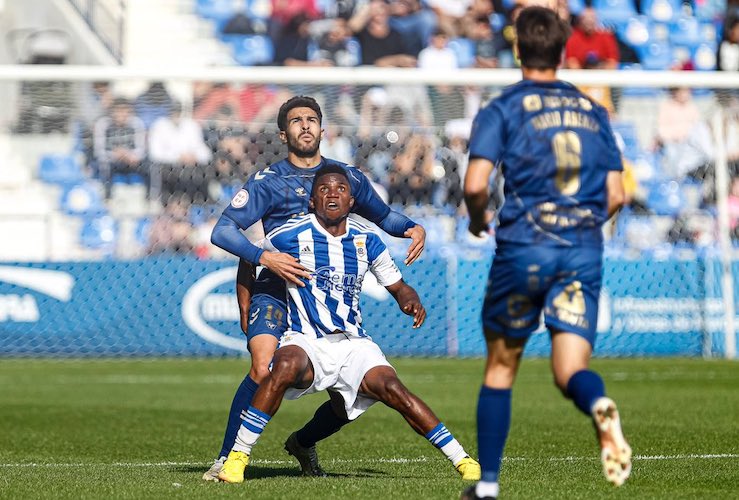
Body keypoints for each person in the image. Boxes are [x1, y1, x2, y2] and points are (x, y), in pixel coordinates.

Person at [206, 95, 428, 481]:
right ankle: (228, 459)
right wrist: (264, 258)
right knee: (262, 368)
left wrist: (412, 227)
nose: (305, 125)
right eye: (296, 121)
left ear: (323, 129)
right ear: (283, 132)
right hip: (278, 286)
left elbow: (385, 216)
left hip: (328, 293)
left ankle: (303, 442)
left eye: (312, 119)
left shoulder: (347, 177)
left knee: (353, 398)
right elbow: (222, 230)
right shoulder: (268, 181)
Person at [217, 164, 481, 483]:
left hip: (354, 343)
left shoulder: (367, 241)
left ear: (351, 201)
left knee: (390, 389)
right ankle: (236, 459)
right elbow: (250, 254)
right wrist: (245, 302)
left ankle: (462, 460)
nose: (333, 194)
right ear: (312, 201)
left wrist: (409, 299)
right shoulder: (290, 235)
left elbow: (398, 286)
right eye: (324, 189)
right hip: (305, 340)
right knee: (283, 366)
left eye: (341, 189)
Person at [460, 7, 631, 500]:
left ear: (517, 50)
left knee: (501, 368)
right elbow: (616, 195)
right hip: (580, 250)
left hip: (523, 249)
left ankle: (487, 486)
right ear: (562, 51)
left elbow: (476, 185)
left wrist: (477, 220)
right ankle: (597, 402)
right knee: (570, 371)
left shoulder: (503, 107)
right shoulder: (594, 110)